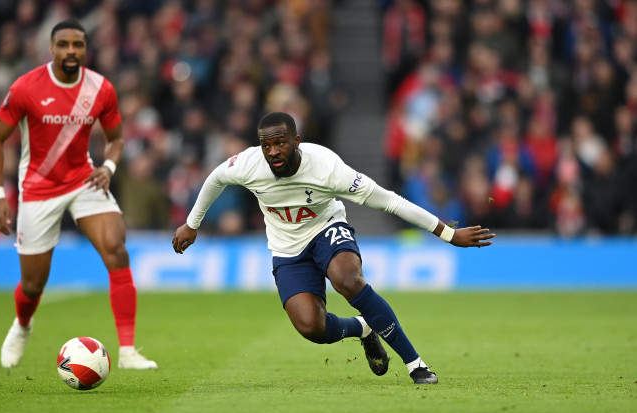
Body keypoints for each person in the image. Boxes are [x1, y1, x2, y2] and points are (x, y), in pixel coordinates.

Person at [173, 112, 494, 384]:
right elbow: (215, 178)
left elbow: (390, 201)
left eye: (280, 142)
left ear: (296, 141)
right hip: (286, 248)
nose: (272, 151)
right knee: (311, 327)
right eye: (266, 145)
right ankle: (363, 328)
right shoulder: (247, 164)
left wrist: (447, 234)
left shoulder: (327, 168)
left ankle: (415, 364)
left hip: (326, 229)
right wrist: (193, 223)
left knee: (348, 279)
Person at [0, 19, 156, 370]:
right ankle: (22, 325)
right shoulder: (26, 88)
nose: (71, 51)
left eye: (77, 45)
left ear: (85, 49)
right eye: (63, 44)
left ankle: (127, 352)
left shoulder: (100, 89)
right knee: (33, 284)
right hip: (37, 188)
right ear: (51, 48)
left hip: (83, 180)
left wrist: (107, 168)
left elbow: (117, 139)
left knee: (117, 250)